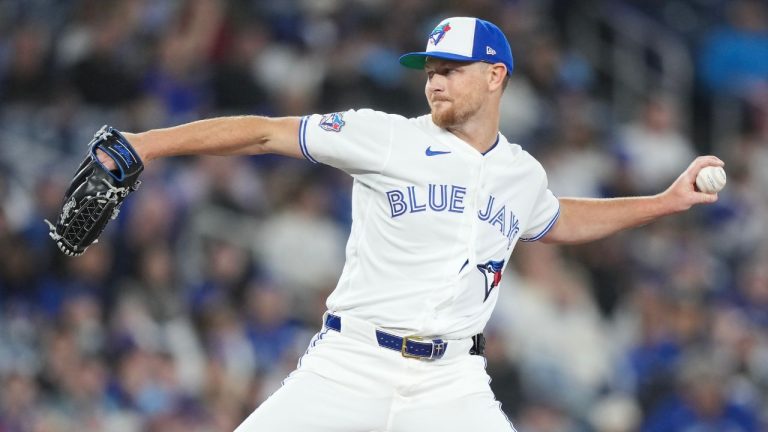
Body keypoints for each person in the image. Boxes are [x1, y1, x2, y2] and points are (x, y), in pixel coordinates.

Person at [99, 17, 723, 432]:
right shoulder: (384, 137)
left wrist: (662, 203)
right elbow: (264, 132)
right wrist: (148, 143)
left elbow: (557, 220)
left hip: (452, 381)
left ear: (495, 76)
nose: (434, 80)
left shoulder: (520, 173)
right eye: (429, 69)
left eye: (450, 68)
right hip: (351, 362)